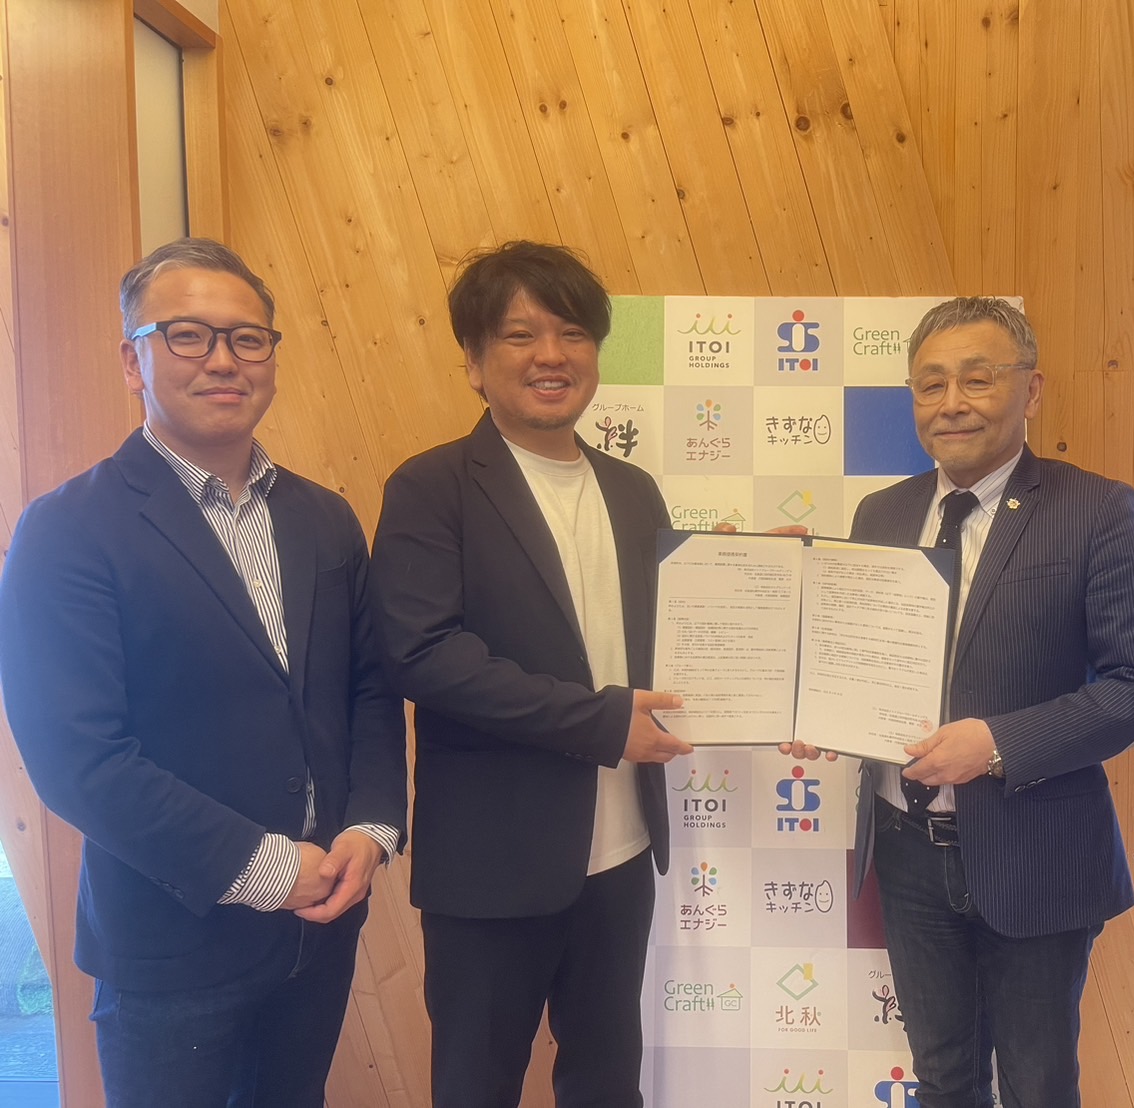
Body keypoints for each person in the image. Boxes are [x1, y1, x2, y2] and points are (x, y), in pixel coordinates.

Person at [0, 237, 407, 1107]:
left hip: (319, 932)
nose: (224, 360)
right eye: (187, 335)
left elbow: (367, 689)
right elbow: (79, 759)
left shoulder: (324, 518)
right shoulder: (67, 530)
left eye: (247, 338)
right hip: (170, 950)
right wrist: (268, 869)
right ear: (133, 361)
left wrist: (371, 828)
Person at [789, 296, 1134, 1108]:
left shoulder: (1094, 509)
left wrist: (996, 744)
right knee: (942, 1081)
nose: (951, 403)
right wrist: (821, 713)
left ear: (1030, 391)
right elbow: (862, 661)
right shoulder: (881, 513)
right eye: (929, 384)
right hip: (904, 849)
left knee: (1037, 1087)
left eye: (977, 379)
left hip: (1035, 849)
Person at [369, 241, 693, 1108]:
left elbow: (666, 634)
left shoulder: (633, 490)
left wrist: (756, 594)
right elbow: (423, 653)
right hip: (492, 861)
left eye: (572, 333)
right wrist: (601, 723)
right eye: (520, 335)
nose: (551, 355)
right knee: (476, 1087)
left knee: (606, 1084)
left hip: (620, 852)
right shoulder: (431, 486)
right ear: (474, 363)